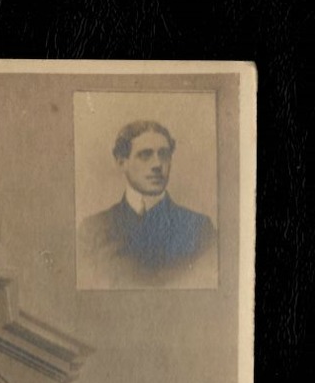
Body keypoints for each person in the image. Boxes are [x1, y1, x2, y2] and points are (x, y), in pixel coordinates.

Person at [78, 120, 217, 288]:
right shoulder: (93, 230)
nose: (157, 165)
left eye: (164, 154)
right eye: (145, 155)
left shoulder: (199, 227)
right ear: (121, 162)